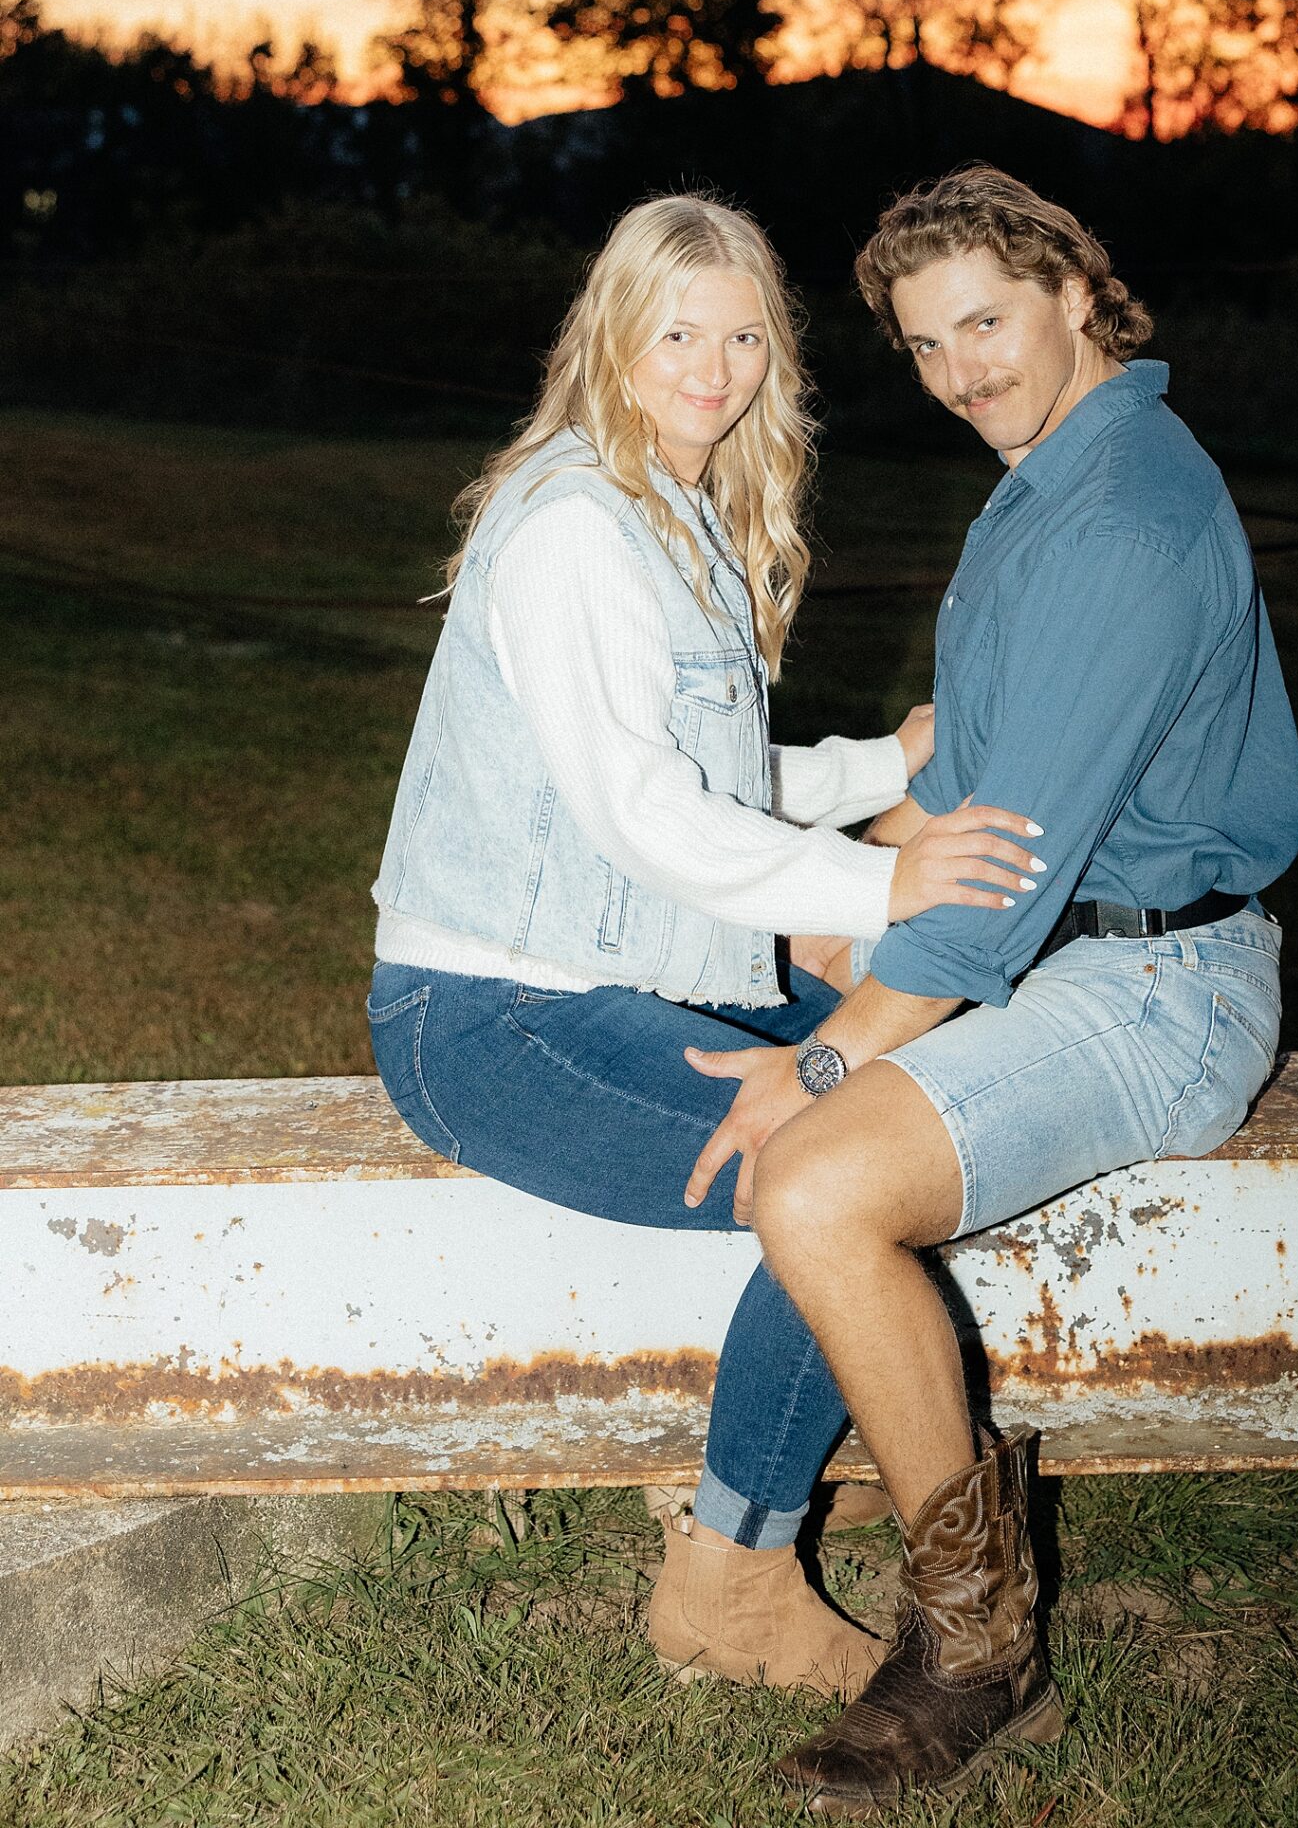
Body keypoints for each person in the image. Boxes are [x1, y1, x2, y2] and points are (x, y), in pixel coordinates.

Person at [679, 165, 1298, 1811]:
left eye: (987, 322)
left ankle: (975, 1641)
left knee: (811, 1191)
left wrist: (822, 1062)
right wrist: (845, 885)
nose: (961, 372)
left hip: (1159, 983)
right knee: (762, 968)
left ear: (1077, 293)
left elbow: (1006, 876)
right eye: (925, 344)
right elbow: (979, 766)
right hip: (1074, 939)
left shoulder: (1124, 514)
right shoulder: (1060, 469)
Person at [366, 192, 1040, 1701]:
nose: (715, 366)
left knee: (899, 1080)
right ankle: (733, 1572)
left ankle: (834, 1413)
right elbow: (641, 813)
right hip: (487, 1018)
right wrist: (896, 889)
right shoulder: (571, 532)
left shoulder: (663, 511)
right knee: (830, 1182)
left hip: (601, 977)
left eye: (745, 336)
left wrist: (886, 767)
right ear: (614, 334)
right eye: (681, 331)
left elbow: (714, 783)